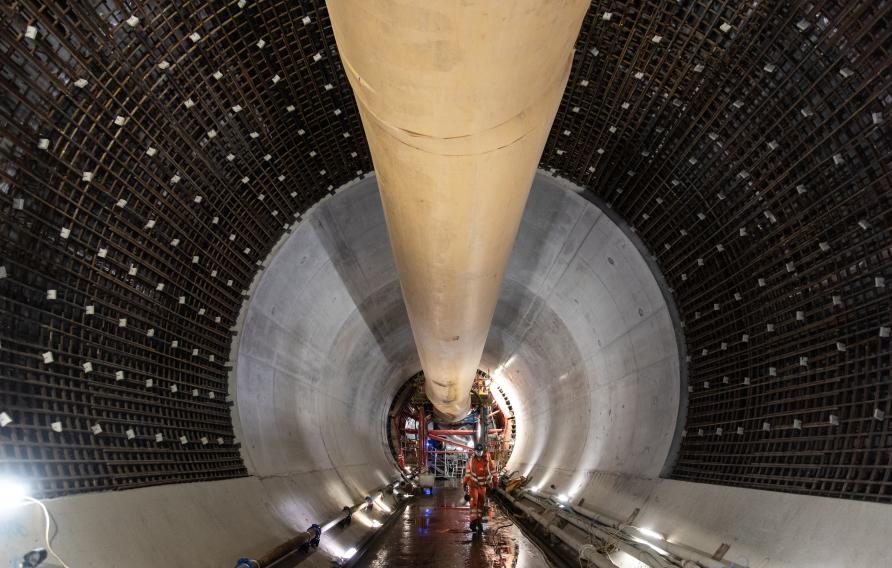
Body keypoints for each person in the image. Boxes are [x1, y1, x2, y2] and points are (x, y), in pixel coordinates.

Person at [463, 442, 498, 532]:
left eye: (480, 451)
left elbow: (493, 471)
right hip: (473, 486)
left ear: (483, 451)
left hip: (483, 486)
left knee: (480, 505)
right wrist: (464, 485)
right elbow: (467, 474)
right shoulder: (471, 460)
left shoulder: (487, 459)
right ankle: (473, 522)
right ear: (475, 451)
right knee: (474, 504)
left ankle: (479, 521)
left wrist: (495, 484)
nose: (479, 453)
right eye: (477, 451)